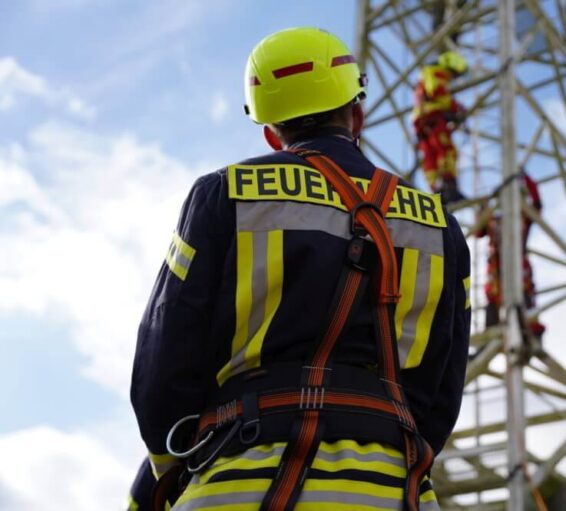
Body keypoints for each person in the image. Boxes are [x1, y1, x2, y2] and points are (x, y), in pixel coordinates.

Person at [130, 27, 471, 511]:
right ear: (358, 113)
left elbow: (165, 360)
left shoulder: (225, 193)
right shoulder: (442, 227)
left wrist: (171, 466)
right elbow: (442, 387)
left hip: (238, 482)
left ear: (271, 133)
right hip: (394, 488)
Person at [477, 171, 543, 339]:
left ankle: (532, 337)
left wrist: (525, 178)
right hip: (496, 269)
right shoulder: (493, 220)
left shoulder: (522, 217)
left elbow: (537, 205)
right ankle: (487, 343)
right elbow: (478, 231)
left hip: (518, 266)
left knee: (525, 300)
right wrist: (483, 207)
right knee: (492, 302)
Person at [412, 51, 468, 202]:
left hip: (420, 121)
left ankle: (436, 189)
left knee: (430, 156)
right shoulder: (436, 72)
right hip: (434, 117)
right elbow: (438, 92)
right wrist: (456, 108)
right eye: (454, 74)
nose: (451, 78)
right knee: (446, 150)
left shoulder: (423, 76)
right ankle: (450, 186)